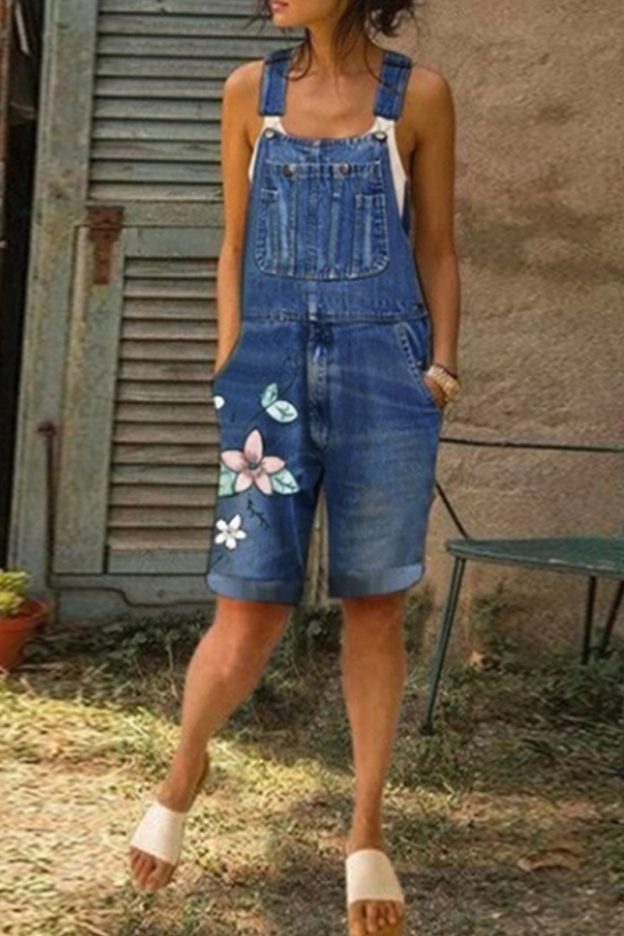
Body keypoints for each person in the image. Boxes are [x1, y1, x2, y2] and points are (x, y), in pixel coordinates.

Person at [129, 2, 461, 935]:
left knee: (375, 602)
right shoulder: (251, 93)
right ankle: (186, 766)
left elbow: (437, 246)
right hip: (266, 375)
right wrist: (230, 362)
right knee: (250, 605)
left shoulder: (420, 97)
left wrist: (440, 368)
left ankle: (366, 830)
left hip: (384, 374)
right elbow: (234, 246)